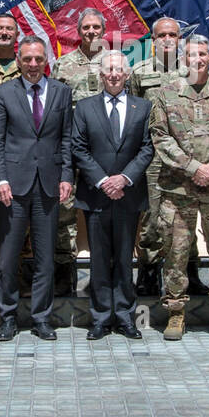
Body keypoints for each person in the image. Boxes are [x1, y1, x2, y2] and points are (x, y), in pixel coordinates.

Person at [149, 36, 209, 341]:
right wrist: (193, 168)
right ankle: (176, 312)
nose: (198, 59)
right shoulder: (165, 94)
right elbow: (160, 136)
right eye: (191, 55)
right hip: (177, 189)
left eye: (203, 54)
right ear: (183, 59)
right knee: (177, 252)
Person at [0, 35, 75, 341]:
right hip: (13, 185)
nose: (33, 65)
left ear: (46, 59)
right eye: (27, 59)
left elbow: (66, 138)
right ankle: (8, 316)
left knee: (44, 256)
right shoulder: (3, 92)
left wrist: (67, 175)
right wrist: (0, 179)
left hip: (49, 185)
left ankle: (41, 318)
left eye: (38, 59)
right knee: (9, 255)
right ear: (19, 60)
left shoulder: (62, 92)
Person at [71, 50, 154, 339]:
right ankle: (100, 318)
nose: (114, 74)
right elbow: (78, 148)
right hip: (96, 195)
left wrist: (124, 179)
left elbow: (147, 148)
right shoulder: (84, 107)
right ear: (101, 75)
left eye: (119, 70)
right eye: (109, 70)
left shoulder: (143, 108)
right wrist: (104, 180)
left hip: (129, 195)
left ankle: (125, 317)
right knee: (99, 260)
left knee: (123, 258)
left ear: (127, 74)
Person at [44, 7, 111, 296]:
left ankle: (104, 276)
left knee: (104, 212)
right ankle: (64, 273)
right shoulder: (63, 65)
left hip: (106, 151)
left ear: (104, 31)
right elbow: (57, 109)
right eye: (87, 28)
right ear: (79, 31)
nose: (92, 32)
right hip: (71, 148)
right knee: (65, 210)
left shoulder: (117, 63)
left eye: (97, 28)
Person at [130, 16, 195, 297]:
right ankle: (148, 272)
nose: (167, 40)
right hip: (153, 157)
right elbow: (132, 115)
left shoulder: (193, 71)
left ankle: (190, 272)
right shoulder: (139, 72)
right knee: (152, 219)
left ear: (179, 39)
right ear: (153, 40)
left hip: (185, 157)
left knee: (187, 215)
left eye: (172, 35)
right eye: (161, 35)